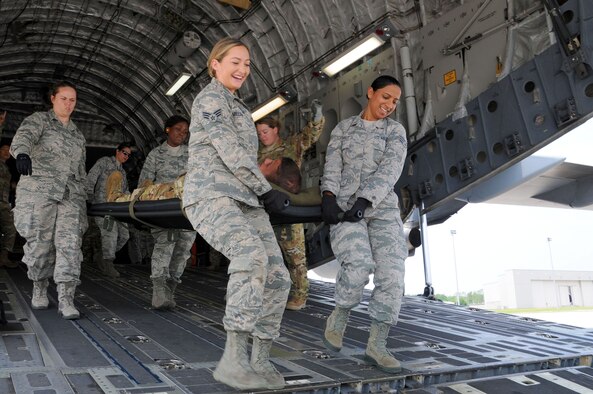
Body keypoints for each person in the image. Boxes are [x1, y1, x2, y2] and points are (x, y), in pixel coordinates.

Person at [182, 37, 291, 391]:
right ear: (215, 63)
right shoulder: (210, 99)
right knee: (250, 255)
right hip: (211, 195)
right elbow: (229, 151)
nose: (243, 69)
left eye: (247, 63)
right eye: (235, 62)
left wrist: (261, 191)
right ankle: (232, 360)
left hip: (245, 199)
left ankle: (259, 358)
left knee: (278, 277)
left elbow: (244, 159)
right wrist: (265, 189)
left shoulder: (241, 109)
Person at [320, 75, 407, 373]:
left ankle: (377, 345)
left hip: (381, 209)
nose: (389, 105)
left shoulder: (395, 132)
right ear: (370, 93)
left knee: (393, 274)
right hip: (346, 209)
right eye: (385, 97)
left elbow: (390, 169)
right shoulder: (344, 129)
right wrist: (329, 197)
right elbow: (332, 165)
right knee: (358, 266)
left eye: (395, 101)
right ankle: (340, 315)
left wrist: (366, 201)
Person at [10, 81, 87, 320]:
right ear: (53, 98)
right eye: (64, 98)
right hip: (40, 193)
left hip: (69, 196)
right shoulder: (39, 121)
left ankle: (66, 298)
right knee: (40, 245)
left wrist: (84, 197)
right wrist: (22, 154)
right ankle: (40, 287)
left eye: (72, 100)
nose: (68, 103)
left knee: (70, 245)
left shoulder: (77, 135)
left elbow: (80, 170)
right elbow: (23, 137)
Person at [256, 109, 324, 311]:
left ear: (276, 130)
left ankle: (300, 295)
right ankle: (265, 293)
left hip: (289, 209)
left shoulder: (291, 147)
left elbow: (309, 136)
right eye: (259, 133)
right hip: (265, 211)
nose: (262, 136)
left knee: (295, 255)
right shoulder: (256, 155)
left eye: (265, 131)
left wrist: (318, 117)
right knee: (264, 255)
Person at [139, 115, 195, 310]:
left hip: (187, 211)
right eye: (178, 129)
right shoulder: (156, 155)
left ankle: (170, 289)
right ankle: (159, 291)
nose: (182, 134)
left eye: (185, 132)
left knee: (182, 251)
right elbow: (144, 184)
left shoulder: (191, 154)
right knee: (165, 245)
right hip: (163, 210)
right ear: (167, 130)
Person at [85, 143, 132, 277]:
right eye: (124, 153)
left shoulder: (122, 171)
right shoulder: (104, 162)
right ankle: (108, 263)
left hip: (117, 209)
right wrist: (88, 195)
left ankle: (102, 254)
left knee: (124, 236)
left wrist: (129, 201)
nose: (126, 156)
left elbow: (125, 190)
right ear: (117, 151)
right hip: (103, 207)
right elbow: (92, 176)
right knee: (110, 233)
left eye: (129, 155)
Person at [0, 142, 18, 268]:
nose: (7, 152)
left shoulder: (5, 167)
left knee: (10, 229)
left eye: (9, 150)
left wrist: (12, 186)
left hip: (4, 204)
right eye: (4, 150)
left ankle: (3, 257)